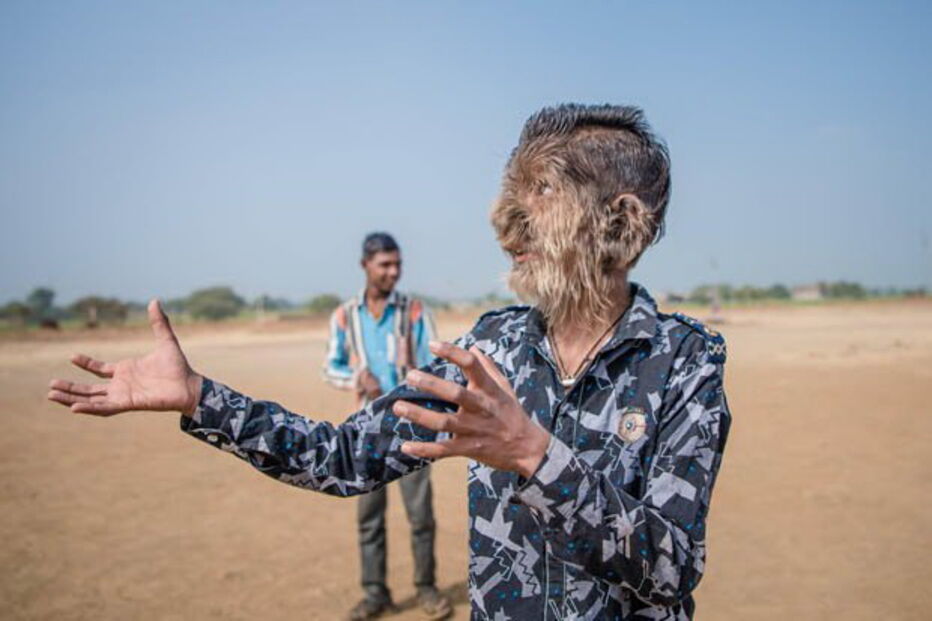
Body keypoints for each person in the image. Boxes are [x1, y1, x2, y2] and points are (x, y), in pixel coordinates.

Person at [48, 103, 732, 620]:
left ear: (618, 223)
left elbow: (671, 565)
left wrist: (533, 452)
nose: (509, 224)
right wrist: (201, 396)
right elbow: (345, 457)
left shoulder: (684, 363)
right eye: (514, 194)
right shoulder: (490, 350)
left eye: (544, 194)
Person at [322, 231, 450, 620]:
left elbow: (435, 362)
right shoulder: (345, 316)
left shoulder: (413, 312)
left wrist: (412, 382)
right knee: (369, 518)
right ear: (365, 266)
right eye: (385, 265)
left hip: (410, 429)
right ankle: (375, 594)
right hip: (365, 433)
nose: (393, 272)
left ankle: (426, 589)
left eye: (397, 264)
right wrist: (356, 378)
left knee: (420, 516)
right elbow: (330, 365)